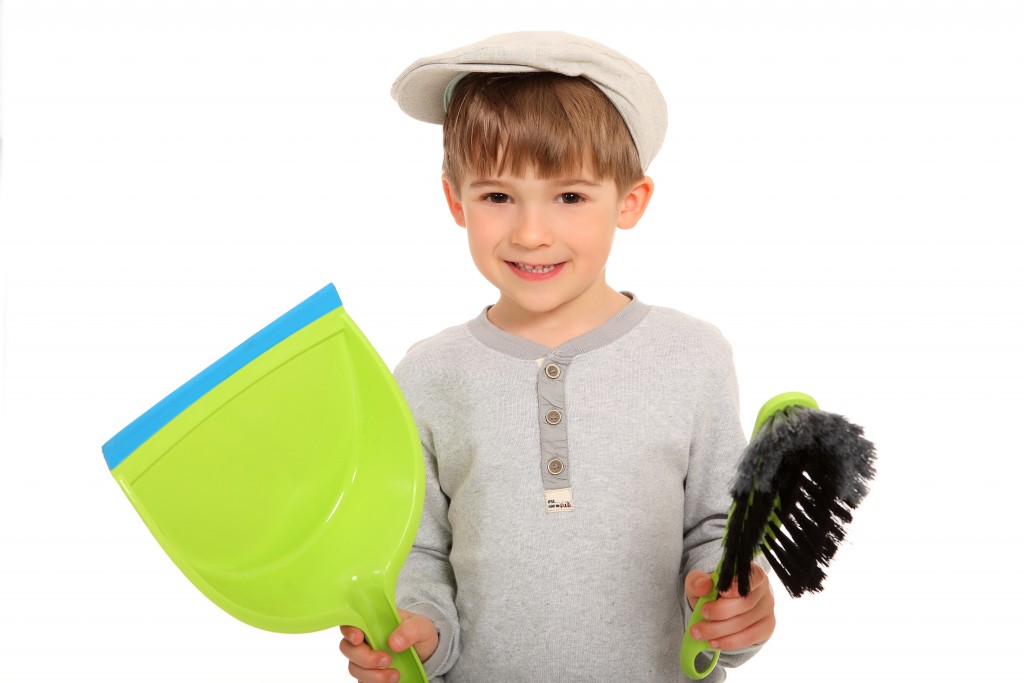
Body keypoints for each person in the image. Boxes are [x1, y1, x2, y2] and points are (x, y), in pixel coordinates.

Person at [339, 31, 775, 682]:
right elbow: (420, 552)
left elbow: (718, 526)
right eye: (497, 196)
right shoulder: (428, 374)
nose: (531, 231)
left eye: (569, 196)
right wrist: (418, 636)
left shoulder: (693, 356)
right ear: (456, 200)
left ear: (630, 201)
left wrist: (732, 603)